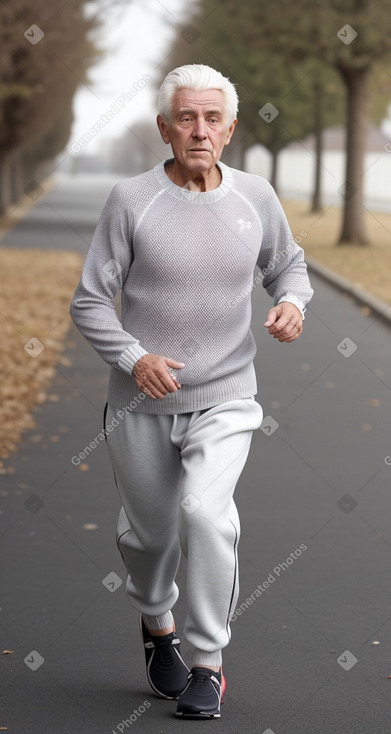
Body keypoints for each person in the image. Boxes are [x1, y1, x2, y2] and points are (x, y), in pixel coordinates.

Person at [70, 63, 313, 719]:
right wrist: (133, 355)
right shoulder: (131, 199)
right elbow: (90, 301)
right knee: (150, 539)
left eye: (212, 118)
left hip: (226, 396)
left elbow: (287, 267)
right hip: (139, 404)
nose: (198, 130)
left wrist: (292, 303)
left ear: (229, 129)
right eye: (186, 117)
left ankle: (208, 663)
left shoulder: (255, 198)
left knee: (206, 515)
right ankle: (157, 627)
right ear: (163, 128)